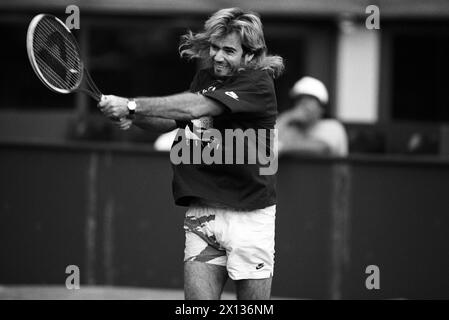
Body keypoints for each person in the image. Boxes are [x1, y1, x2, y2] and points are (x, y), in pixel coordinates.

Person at [97, 8, 284, 300]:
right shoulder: (205, 78)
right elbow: (174, 120)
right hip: (203, 213)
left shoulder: (258, 82)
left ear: (249, 55)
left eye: (229, 50)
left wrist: (132, 105)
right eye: (214, 47)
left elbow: (197, 107)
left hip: (249, 215)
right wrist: (133, 116)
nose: (218, 56)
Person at [276, 76, 348, 156]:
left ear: (321, 108)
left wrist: (281, 147)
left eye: (309, 99)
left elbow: (322, 148)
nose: (303, 104)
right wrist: (288, 117)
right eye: (299, 100)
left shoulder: (332, 126)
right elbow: (267, 143)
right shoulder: (294, 127)